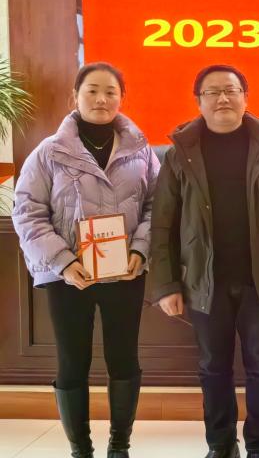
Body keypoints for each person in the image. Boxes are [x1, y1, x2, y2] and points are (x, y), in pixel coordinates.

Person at [13, 62, 158, 458]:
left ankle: (119, 445)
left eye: (110, 91)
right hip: (68, 277)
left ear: (122, 98)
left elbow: (157, 206)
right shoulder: (49, 152)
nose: (101, 99)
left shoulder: (141, 150)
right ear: (75, 96)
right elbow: (27, 212)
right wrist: (62, 262)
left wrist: (139, 250)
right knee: (72, 362)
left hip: (125, 273)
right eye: (92, 90)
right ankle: (80, 449)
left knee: (124, 359)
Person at [149, 64, 259, 458]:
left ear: (246, 97)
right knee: (213, 367)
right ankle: (221, 444)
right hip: (203, 281)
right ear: (199, 101)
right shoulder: (180, 153)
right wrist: (166, 285)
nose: (222, 98)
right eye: (212, 92)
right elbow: (162, 223)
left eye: (231, 90)